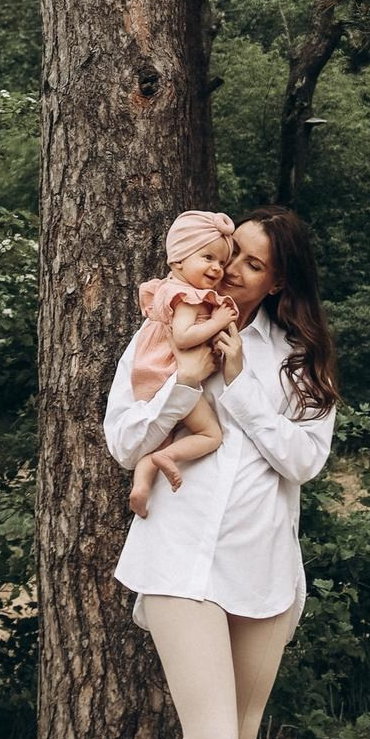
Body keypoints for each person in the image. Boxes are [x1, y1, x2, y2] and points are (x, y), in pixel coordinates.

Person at [93, 205, 339, 739]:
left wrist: (238, 390)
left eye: (256, 264)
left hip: (266, 570)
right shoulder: (173, 318)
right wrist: (189, 380)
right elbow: (124, 441)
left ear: (281, 281)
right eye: (233, 253)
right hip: (180, 562)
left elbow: (305, 460)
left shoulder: (298, 356)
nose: (234, 270)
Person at [126, 209, 238, 517]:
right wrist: (218, 321)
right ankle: (169, 457)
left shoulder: (171, 288)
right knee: (211, 435)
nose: (217, 268)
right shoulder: (185, 296)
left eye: (222, 262)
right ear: (178, 260)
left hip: (156, 376)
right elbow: (185, 337)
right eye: (207, 258)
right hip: (168, 375)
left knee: (164, 437)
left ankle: (141, 485)